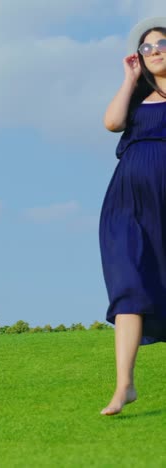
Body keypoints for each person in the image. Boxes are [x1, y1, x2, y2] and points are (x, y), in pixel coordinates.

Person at [99, 16, 166, 416]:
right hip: (128, 204)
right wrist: (129, 79)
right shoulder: (137, 101)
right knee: (128, 285)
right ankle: (124, 384)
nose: (155, 51)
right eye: (147, 47)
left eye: (161, 44)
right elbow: (111, 123)